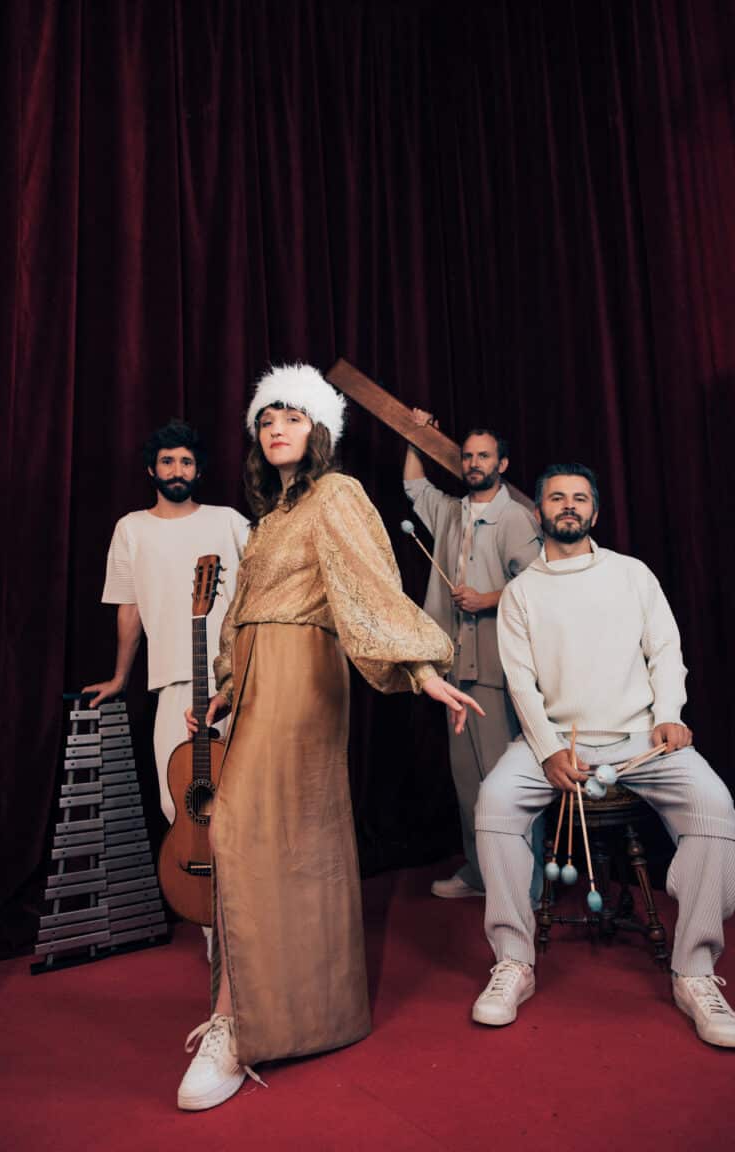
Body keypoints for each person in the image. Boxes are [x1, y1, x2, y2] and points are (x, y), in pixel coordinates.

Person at [177, 363, 483, 1111]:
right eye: (266, 418)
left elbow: (372, 587)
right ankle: (270, 1014)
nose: (277, 428)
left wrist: (420, 669)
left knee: (242, 831)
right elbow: (243, 612)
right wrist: (224, 689)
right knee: (267, 843)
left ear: (318, 430)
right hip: (256, 678)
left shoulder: (337, 494)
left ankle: (237, 1026)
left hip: (302, 677)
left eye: (292, 416)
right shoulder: (268, 519)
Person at [471, 463, 735, 1047]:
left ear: (595, 510)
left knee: (714, 804)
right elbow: (520, 682)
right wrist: (547, 751)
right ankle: (513, 960)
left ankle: (694, 971)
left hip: (642, 738)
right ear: (538, 511)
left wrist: (670, 713)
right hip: (556, 740)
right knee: (494, 802)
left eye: (580, 497)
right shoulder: (521, 593)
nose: (569, 505)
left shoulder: (632, 574)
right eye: (557, 497)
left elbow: (665, 649)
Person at [84, 419, 249, 825]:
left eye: (186, 462)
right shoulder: (131, 529)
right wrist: (120, 678)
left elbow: (264, 589)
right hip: (174, 680)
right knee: (178, 804)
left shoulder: (228, 520)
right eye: (168, 461)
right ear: (151, 469)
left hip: (239, 678)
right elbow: (129, 608)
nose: (177, 470)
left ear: (199, 470)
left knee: (244, 800)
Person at [404, 413, 541, 898]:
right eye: (467, 456)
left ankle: (525, 885)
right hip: (452, 665)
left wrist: (487, 599)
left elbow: (539, 584)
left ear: (502, 463)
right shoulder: (452, 511)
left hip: (496, 666)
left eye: (484, 456)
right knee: (468, 782)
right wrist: (415, 437)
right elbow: (414, 485)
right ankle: (482, 874)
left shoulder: (516, 517)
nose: (474, 463)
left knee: (507, 780)